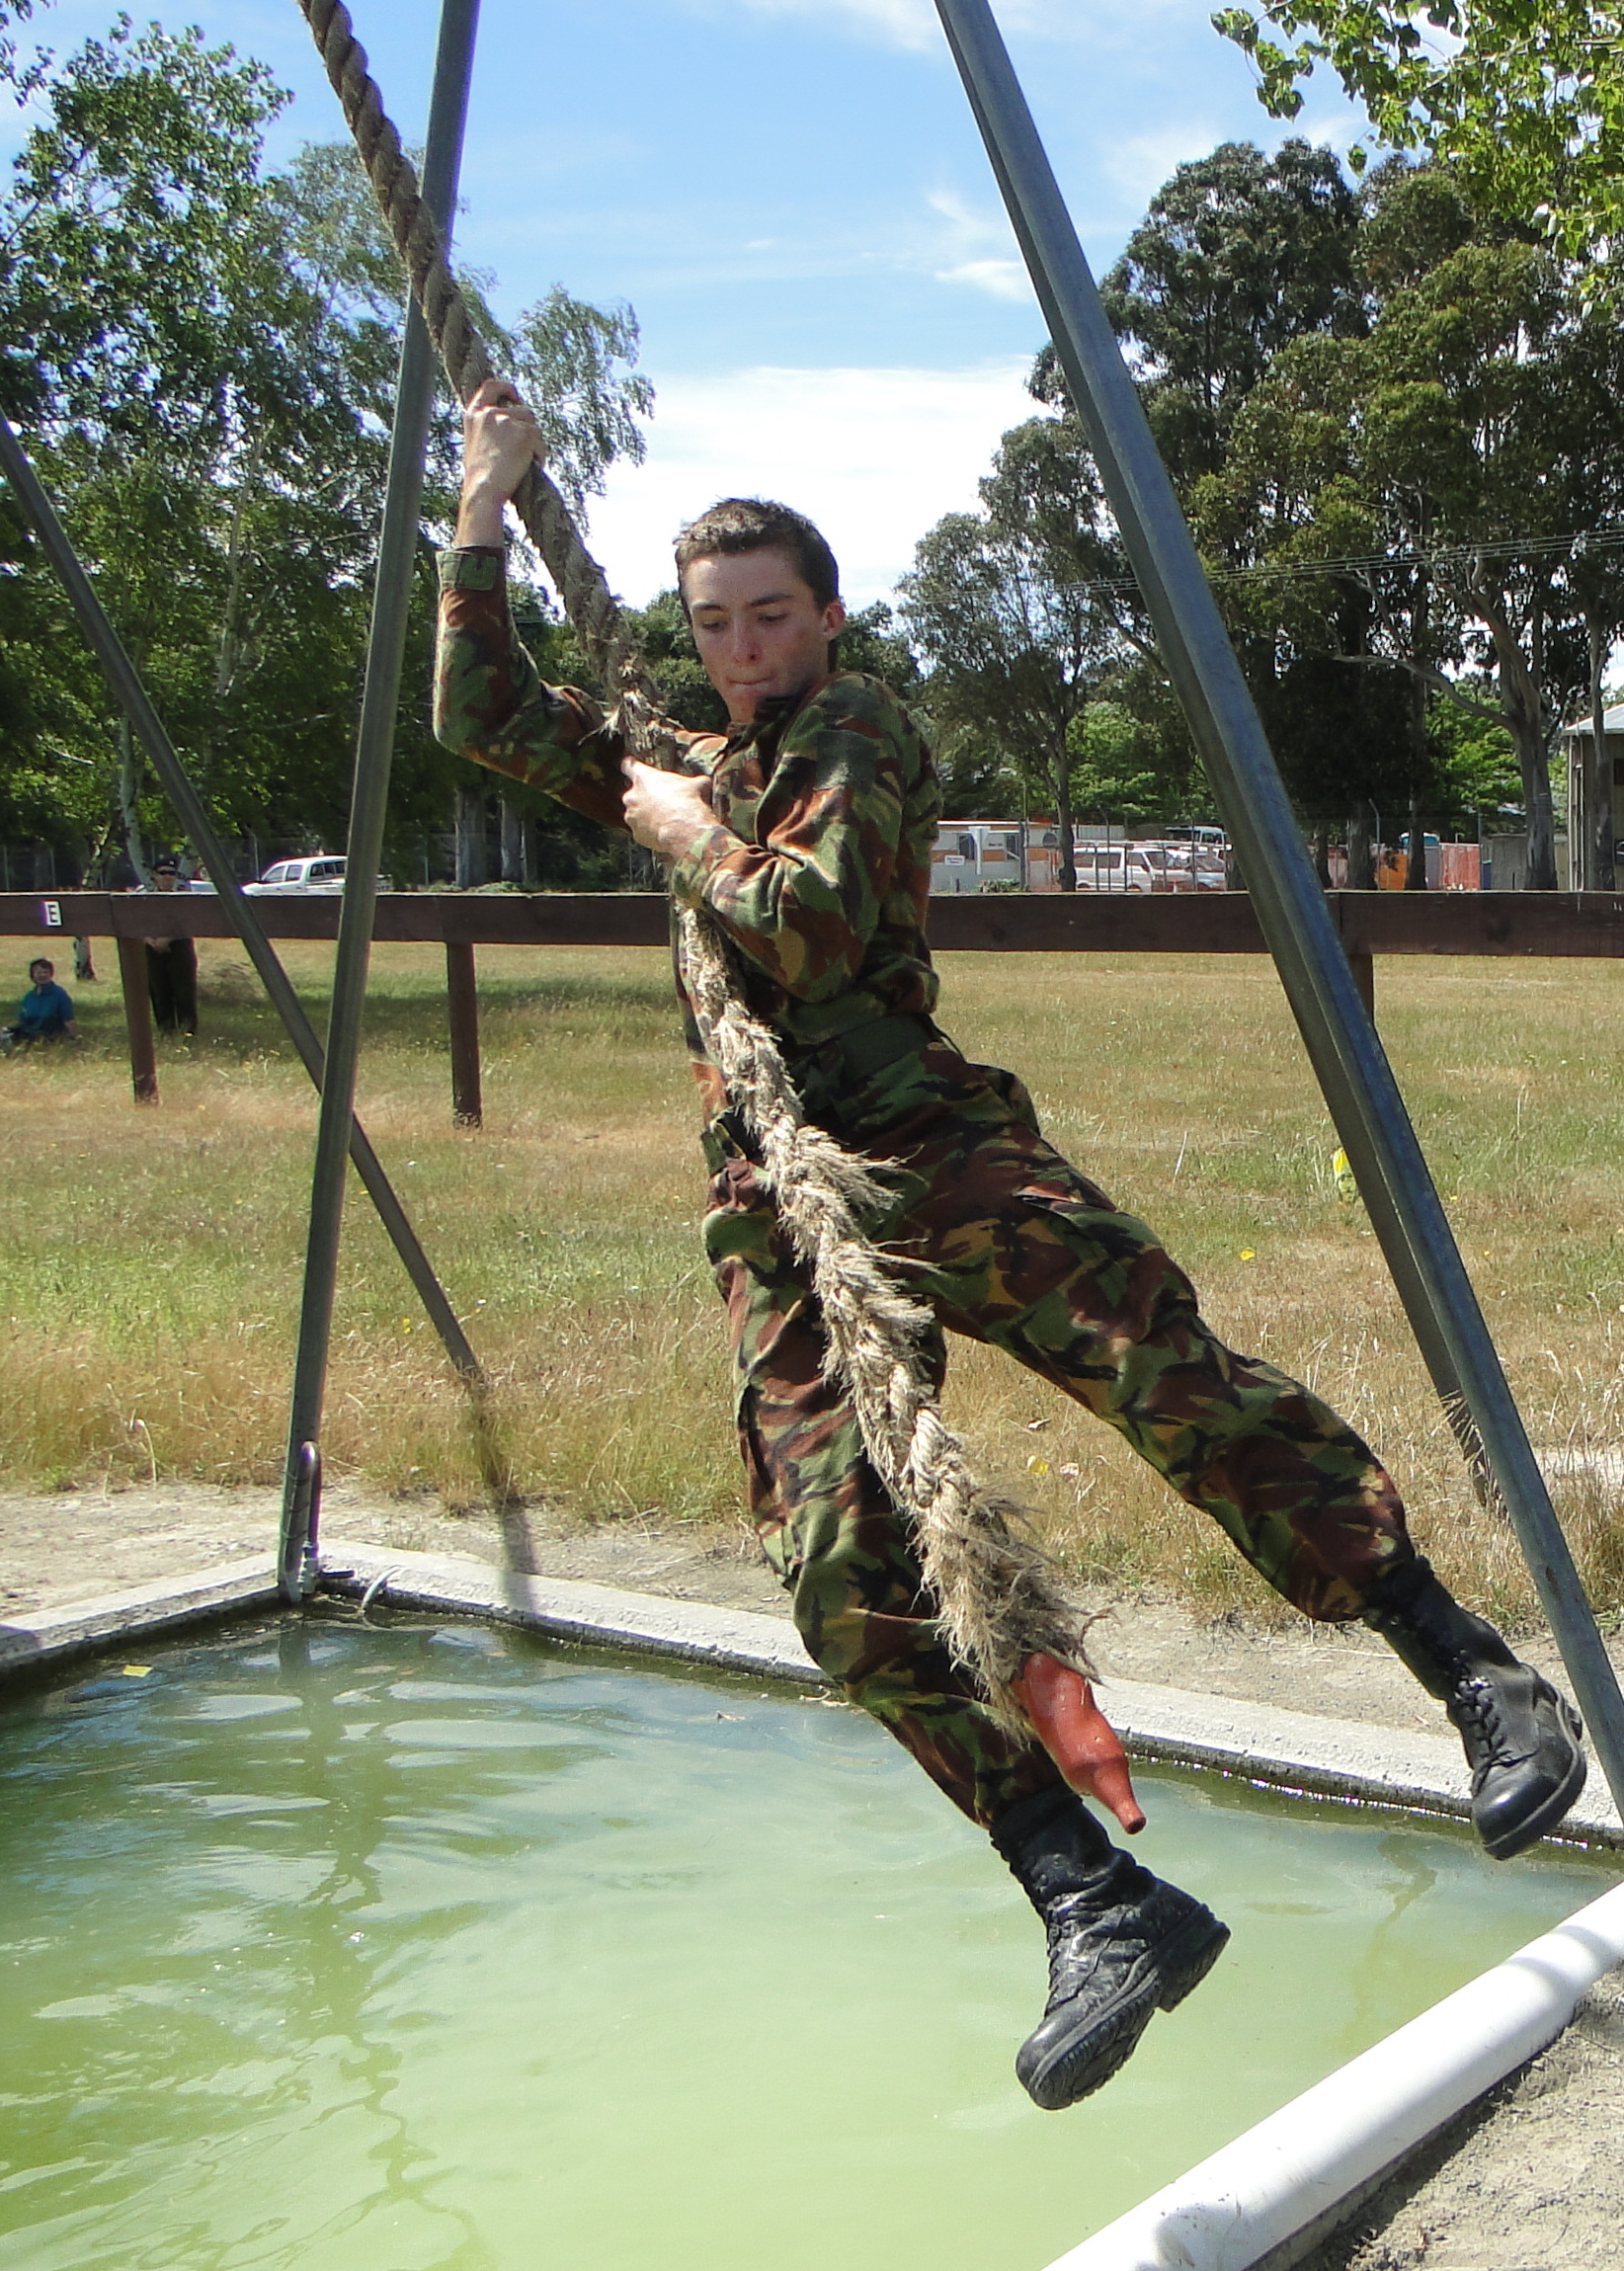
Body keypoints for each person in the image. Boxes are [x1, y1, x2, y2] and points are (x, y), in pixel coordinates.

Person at [434, 377, 1587, 2112]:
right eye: (711, 627)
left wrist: (680, 829)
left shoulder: (856, 735)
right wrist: (478, 507)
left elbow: (809, 929)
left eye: (767, 615)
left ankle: (1473, 1678)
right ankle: (1090, 1894)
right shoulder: (687, 755)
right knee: (830, 1563)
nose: (741, 647)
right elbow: (478, 711)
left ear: (822, 617)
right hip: (776, 1203)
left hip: (928, 1143)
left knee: (1167, 1377)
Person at [144, 853, 199, 1036]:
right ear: (154, 876)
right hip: (152, 950)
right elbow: (136, 922)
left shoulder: (182, 898)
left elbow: (186, 922)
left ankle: (188, 1033)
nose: (167, 877)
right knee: (160, 994)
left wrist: (166, 940)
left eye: (171, 873)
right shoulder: (145, 899)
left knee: (184, 994)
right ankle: (166, 1033)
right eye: (163, 873)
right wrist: (150, 940)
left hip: (179, 947)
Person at [2, 956, 80, 1054]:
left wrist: (74, 1039)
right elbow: (23, 1020)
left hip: (47, 1035)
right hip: (28, 1033)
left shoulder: (59, 994)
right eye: (38, 973)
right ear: (33, 975)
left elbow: (68, 1020)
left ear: (51, 974)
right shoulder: (29, 996)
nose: (42, 975)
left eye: (45, 972)